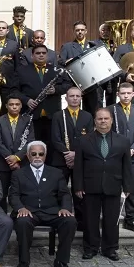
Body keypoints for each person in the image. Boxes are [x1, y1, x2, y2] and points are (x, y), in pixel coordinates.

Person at [73, 108, 132, 261]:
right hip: (90, 186)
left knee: (112, 220)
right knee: (90, 219)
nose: (103, 121)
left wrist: (128, 187)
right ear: (95, 121)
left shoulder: (123, 141)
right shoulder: (84, 140)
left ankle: (110, 248)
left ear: (111, 120)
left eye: (106, 119)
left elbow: (127, 166)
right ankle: (90, 248)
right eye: (100, 119)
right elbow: (78, 165)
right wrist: (78, 186)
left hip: (113, 185)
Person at [10, 141, 76, 267]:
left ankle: (61, 261)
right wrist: (20, 208)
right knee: (22, 222)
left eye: (41, 154)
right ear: (28, 156)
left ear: (45, 155)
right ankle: (24, 261)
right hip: (29, 212)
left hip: (51, 211)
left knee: (70, 221)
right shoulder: (19, 174)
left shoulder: (56, 173)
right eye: (33, 154)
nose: (37, 157)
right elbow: (13, 195)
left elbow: (64, 194)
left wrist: (65, 208)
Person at [107, 82, 134, 234]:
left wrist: (132, 149)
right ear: (118, 94)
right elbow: (106, 132)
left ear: (133, 94)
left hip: (133, 157)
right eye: (122, 93)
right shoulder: (111, 110)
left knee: (131, 187)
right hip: (114, 156)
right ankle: (112, 217)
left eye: (128, 93)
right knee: (113, 187)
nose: (125, 96)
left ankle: (131, 218)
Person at [50, 87, 92, 226]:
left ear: (81, 98)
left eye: (77, 96)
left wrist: (76, 154)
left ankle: (80, 221)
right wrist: (67, 154)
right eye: (72, 96)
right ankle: (59, 219)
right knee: (60, 190)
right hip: (61, 159)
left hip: (80, 160)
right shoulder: (58, 115)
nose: (75, 98)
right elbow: (55, 139)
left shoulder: (87, 116)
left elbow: (90, 138)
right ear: (66, 98)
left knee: (79, 191)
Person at [15, 44, 71, 145]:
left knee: (51, 146)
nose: (41, 55)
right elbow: (14, 90)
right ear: (32, 56)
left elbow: (68, 85)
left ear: (48, 55)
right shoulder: (22, 70)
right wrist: (26, 100)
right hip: (31, 115)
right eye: (38, 53)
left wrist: (56, 90)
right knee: (32, 145)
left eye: (43, 53)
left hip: (52, 115)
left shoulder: (56, 70)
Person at [0, 95, 34, 212]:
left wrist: (17, 157)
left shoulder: (28, 120)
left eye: (17, 104)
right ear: (6, 106)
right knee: (1, 193)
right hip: (2, 164)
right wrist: (10, 158)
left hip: (22, 164)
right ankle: (1, 218)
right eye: (11, 104)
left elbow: (30, 141)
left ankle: (18, 218)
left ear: (21, 106)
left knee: (21, 193)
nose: (14, 107)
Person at [59, 21, 101, 115]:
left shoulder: (93, 45)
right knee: (74, 111)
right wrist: (66, 61)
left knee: (92, 111)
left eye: (82, 30)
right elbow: (60, 61)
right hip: (74, 83)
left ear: (86, 31)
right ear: (74, 32)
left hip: (91, 83)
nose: (80, 32)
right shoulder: (67, 46)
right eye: (77, 30)